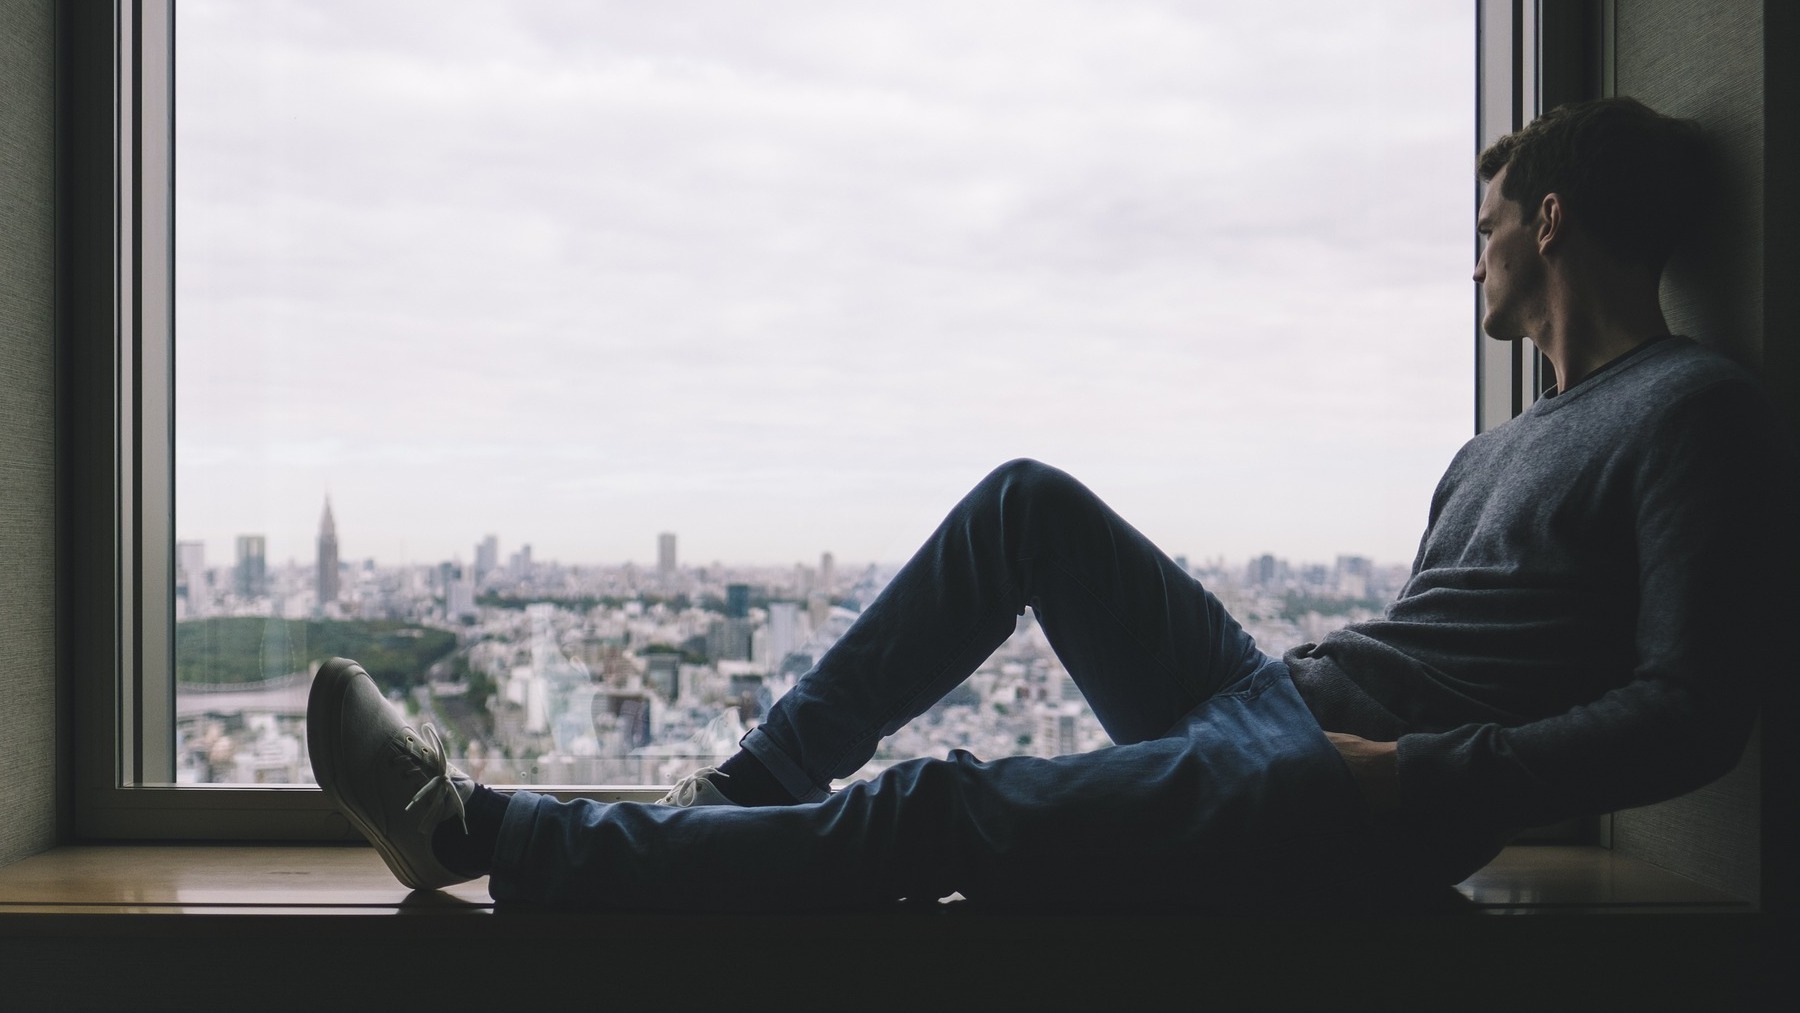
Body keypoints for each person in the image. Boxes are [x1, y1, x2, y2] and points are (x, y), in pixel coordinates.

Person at [307, 96, 1798, 913]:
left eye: (1486, 229)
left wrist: (1411, 777)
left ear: (1550, 221)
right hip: (1291, 708)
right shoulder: (1493, 450)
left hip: (1345, 787)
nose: (1471, 261)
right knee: (1024, 503)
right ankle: (746, 789)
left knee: (940, 803)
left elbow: (1693, 712)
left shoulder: (1692, 407)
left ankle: (479, 832)